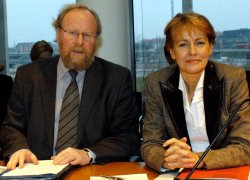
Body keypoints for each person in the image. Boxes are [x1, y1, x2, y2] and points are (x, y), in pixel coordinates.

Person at [0, 3, 139, 169]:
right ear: (58, 34)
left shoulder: (116, 78)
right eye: (73, 33)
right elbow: (11, 127)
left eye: (87, 35)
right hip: (36, 170)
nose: (80, 42)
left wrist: (88, 153)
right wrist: (19, 148)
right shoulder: (28, 76)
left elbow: (127, 136)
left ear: (96, 40)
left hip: (89, 173)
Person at [141, 12, 250, 172]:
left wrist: (198, 159)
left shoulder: (233, 79)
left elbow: (245, 146)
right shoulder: (156, 83)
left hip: (224, 171)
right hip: (179, 172)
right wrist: (167, 160)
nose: (192, 51)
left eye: (199, 43)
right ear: (171, 51)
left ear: (210, 47)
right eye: (183, 44)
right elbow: (150, 143)